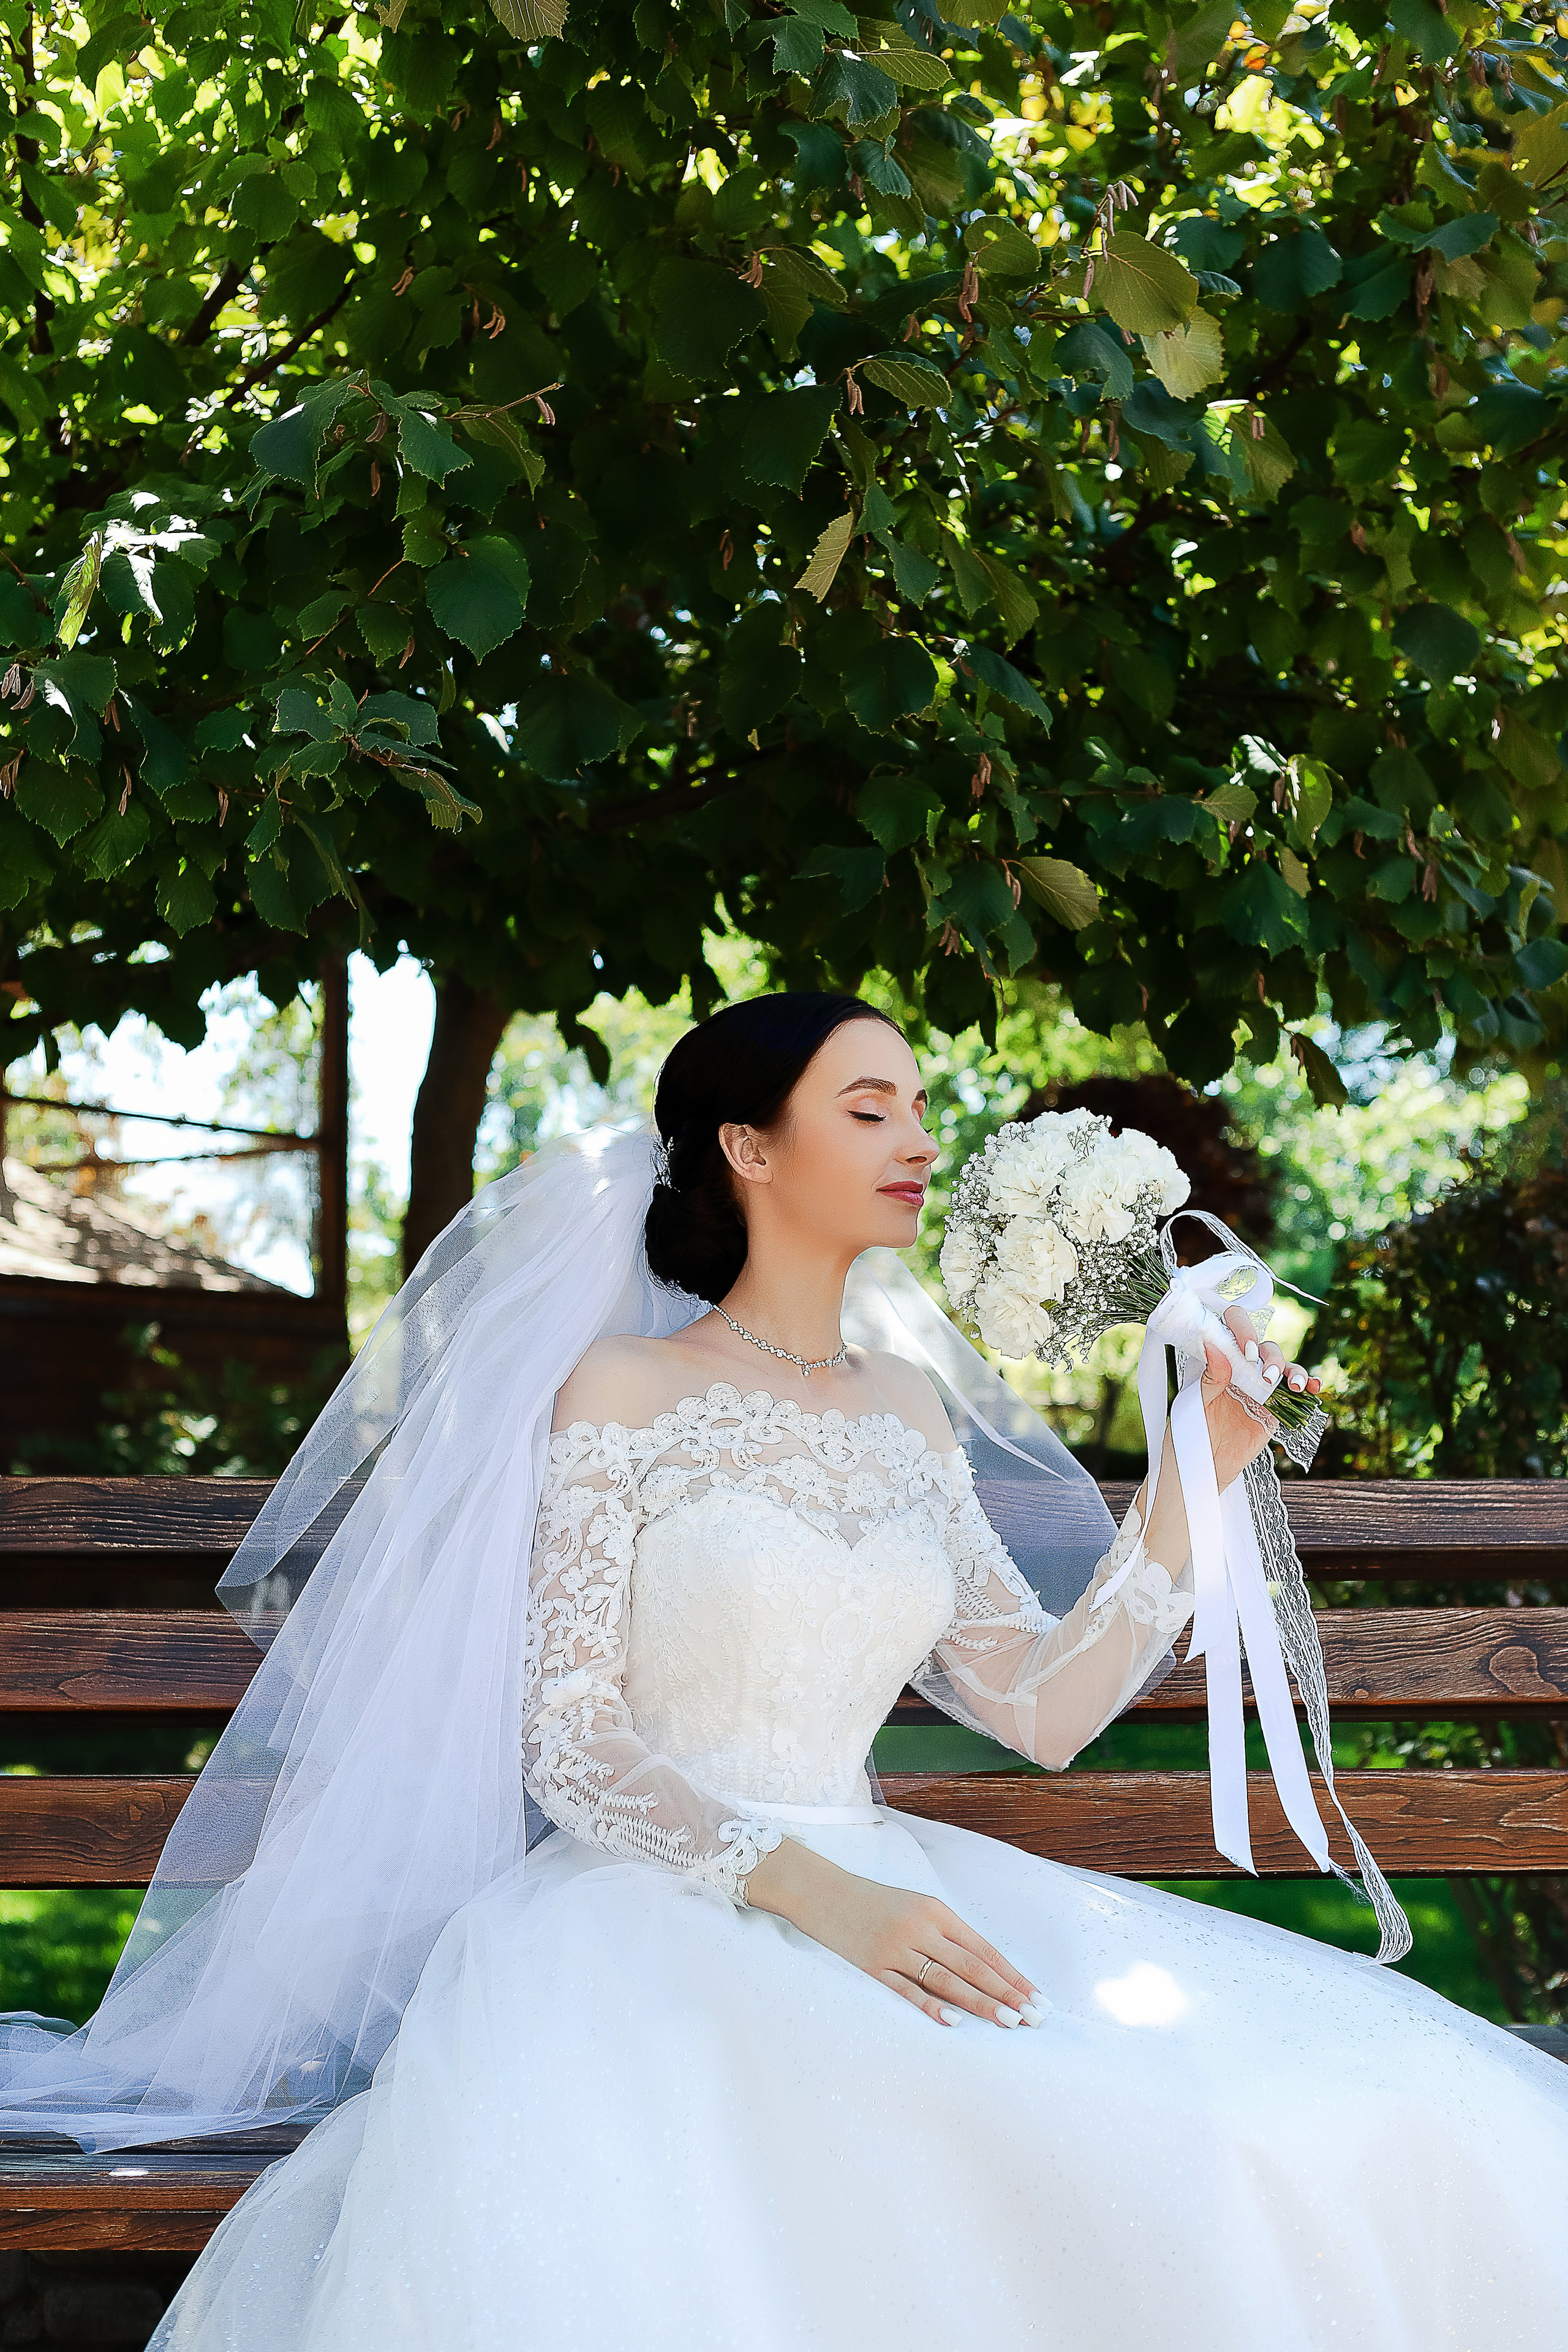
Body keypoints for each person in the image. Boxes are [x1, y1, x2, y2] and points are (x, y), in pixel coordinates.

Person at [22, 992, 1568, 2347]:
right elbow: (568, 1738)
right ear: (749, 1150)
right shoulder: (619, 1389)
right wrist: (818, 1894)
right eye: (865, 1103)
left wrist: (1197, 1471)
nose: (912, 1136)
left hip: (895, 1889)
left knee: (1330, 2111)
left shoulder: (903, 1407)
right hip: (657, 1920)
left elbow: (1037, 1708)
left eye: (915, 1103)